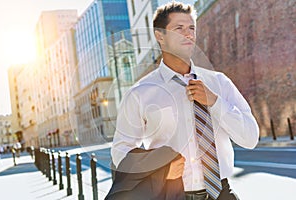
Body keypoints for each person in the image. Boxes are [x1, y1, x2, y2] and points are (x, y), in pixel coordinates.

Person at [110, 1, 259, 200]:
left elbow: (250, 138)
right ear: (160, 36)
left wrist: (215, 102)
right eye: (179, 28)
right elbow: (121, 151)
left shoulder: (219, 83)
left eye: (191, 28)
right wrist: (158, 171)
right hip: (171, 194)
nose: (188, 34)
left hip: (221, 192)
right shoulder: (140, 93)